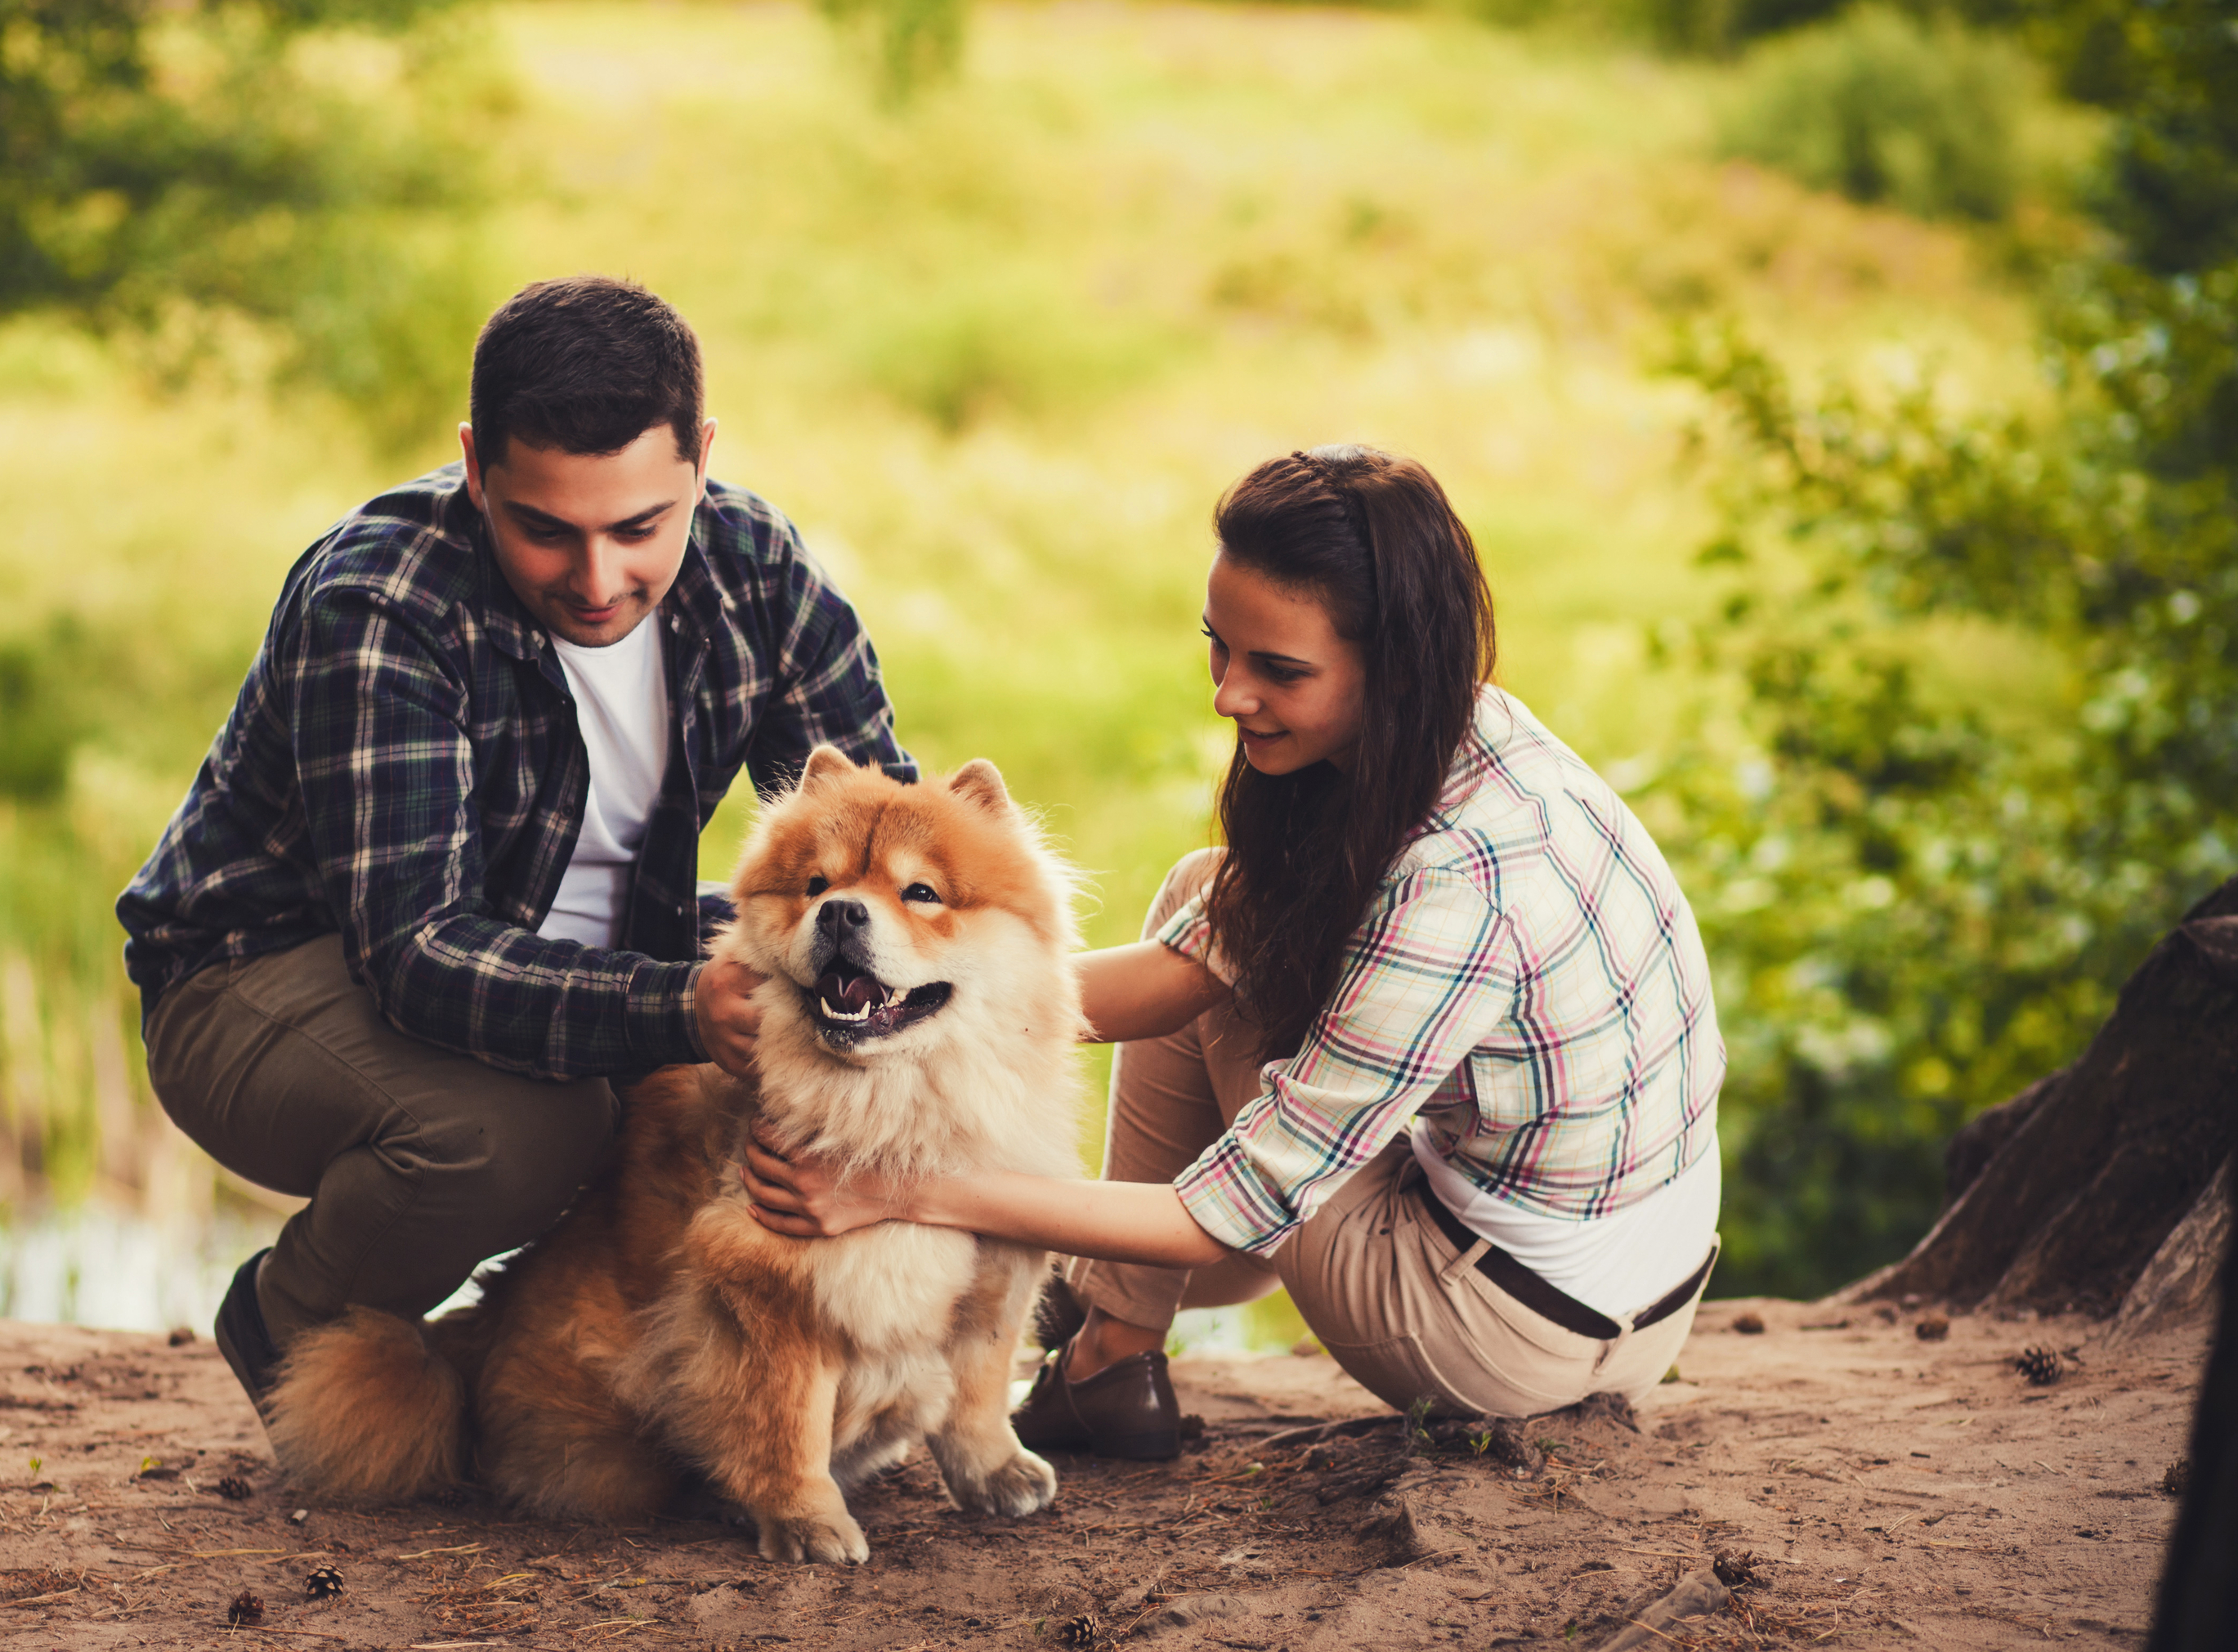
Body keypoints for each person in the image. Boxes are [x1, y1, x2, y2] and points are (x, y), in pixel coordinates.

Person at [741, 445, 1723, 1458]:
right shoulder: (1472, 736)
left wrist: (895, 1186)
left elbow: (1225, 1216)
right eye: (1221, 647)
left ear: (1391, 662)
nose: (1227, 695)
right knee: (1210, 898)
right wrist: (905, 990)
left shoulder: (1458, 887)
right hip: (1624, 1271)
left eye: (1278, 670)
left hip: (1516, 1334)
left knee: (1222, 949)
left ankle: (1109, 1348)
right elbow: (1177, 970)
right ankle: (1112, 1342)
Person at [120, 276, 914, 1417]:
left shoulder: (756, 568)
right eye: (544, 529)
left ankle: (669, 1381)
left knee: (844, 1042)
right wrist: (682, 1008)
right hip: (259, 973)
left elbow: (877, 840)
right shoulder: (382, 604)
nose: (597, 582)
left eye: (640, 528)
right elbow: (420, 954)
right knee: (523, 1132)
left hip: (562, 949)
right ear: (475, 466)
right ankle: (289, 1318)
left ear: (700, 459)